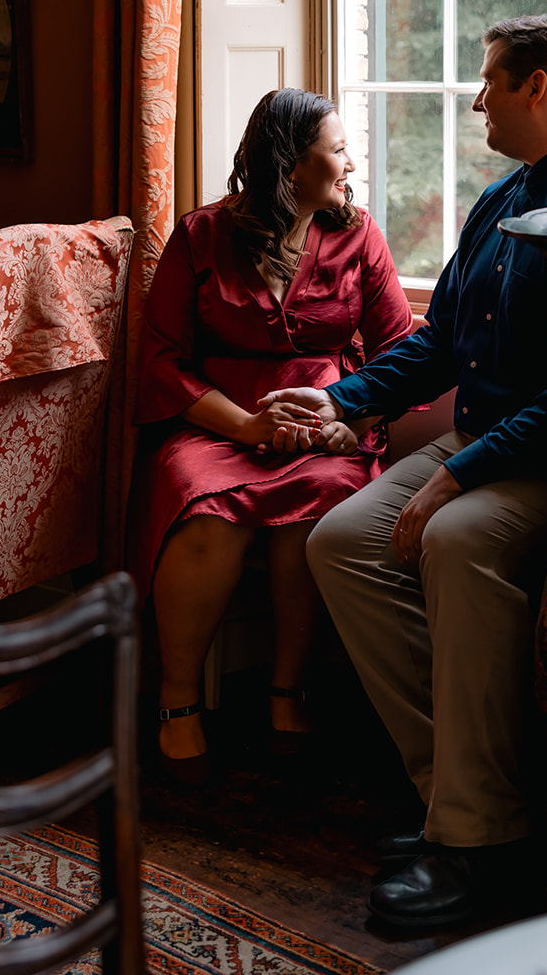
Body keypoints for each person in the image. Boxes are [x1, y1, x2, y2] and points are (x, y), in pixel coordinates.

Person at [263, 15, 547, 930]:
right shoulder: (501, 200)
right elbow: (441, 344)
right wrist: (342, 401)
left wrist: (456, 478)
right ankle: (465, 802)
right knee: (340, 543)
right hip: (479, 441)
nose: (477, 97)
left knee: (454, 542)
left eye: (491, 79)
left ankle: (478, 842)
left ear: (538, 86)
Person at [131, 87, 414, 786]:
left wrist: (349, 423)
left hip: (325, 426)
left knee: (316, 510)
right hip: (217, 421)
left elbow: (401, 351)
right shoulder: (201, 234)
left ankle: (289, 689)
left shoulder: (358, 234)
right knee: (203, 508)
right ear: (290, 164)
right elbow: (161, 360)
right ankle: (177, 698)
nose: (352, 161)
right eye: (338, 149)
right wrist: (248, 424)